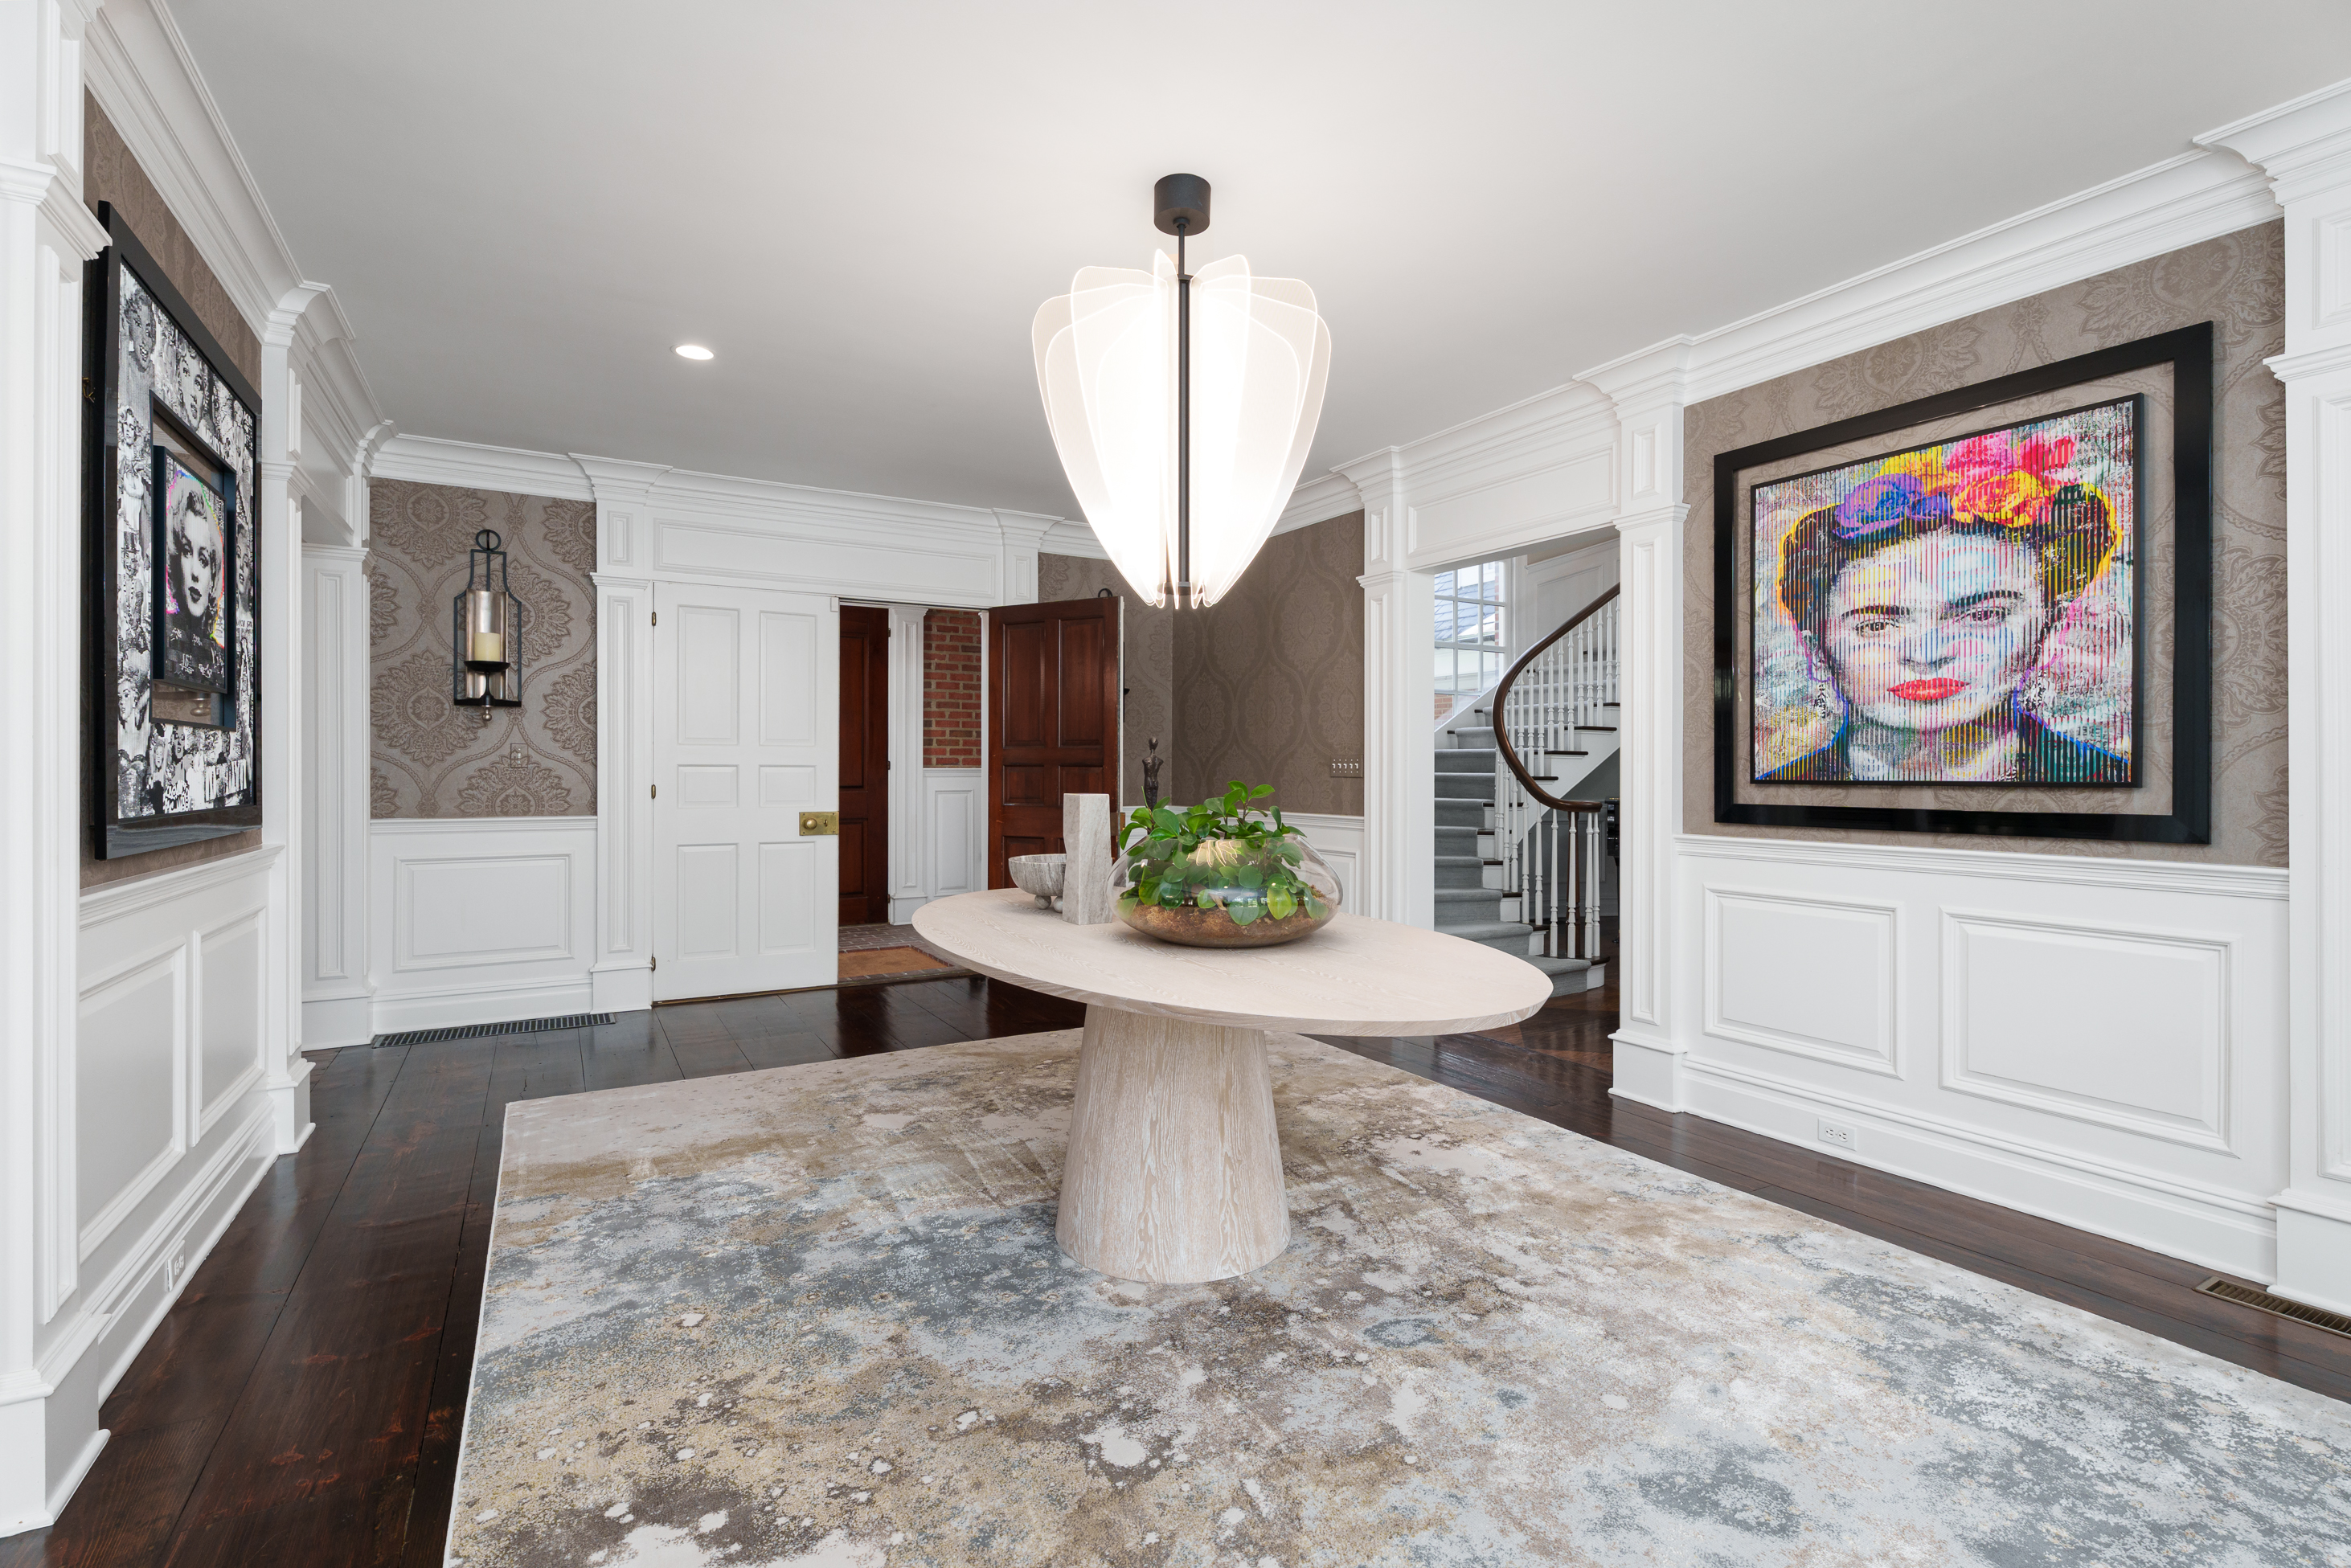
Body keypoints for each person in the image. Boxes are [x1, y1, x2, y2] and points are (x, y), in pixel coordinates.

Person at [1760, 432, 2129, 784]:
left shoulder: (2107, 780)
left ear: (2048, 630)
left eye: (1982, 615)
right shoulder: (1780, 794)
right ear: (1817, 649)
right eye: (1877, 625)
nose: (1927, 655)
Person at [164, 472, 227, 682]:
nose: (194, 572)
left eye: (203, 560)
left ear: (213, 576)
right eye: (186, 551)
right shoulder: (160, 634)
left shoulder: (221, 660)